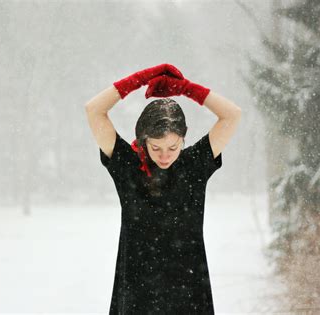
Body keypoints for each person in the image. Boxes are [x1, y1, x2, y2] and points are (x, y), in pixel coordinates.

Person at [85, 64, 242, 314]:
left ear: (183, 138)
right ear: (143, 140)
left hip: (189, 294)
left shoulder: (194, 166)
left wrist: (186, 89)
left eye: (173, 146)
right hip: (137, 296)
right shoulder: (128, 166)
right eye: (156, 148)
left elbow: (232, 114)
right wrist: (141, 79)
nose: (165, 156)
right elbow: (94, 110)